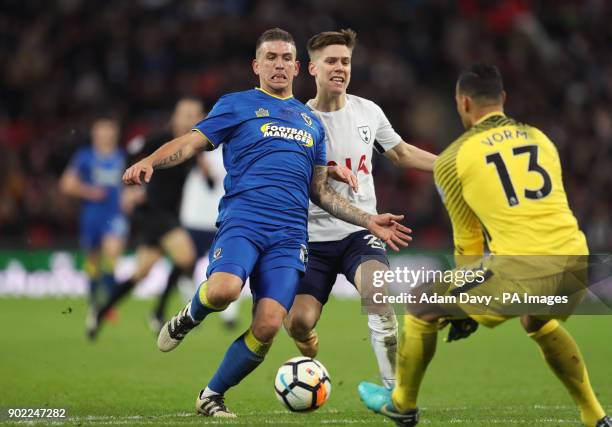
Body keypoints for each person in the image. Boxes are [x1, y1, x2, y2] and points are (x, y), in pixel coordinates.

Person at [123, 28, 412, 418]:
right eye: (270, 58)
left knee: (269, 326)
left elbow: (321, 194)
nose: (278, 65)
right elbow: (190, 143)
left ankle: (211, 395)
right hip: (244, 221)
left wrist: (368, 220)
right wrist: (149, 161)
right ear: (256, 66)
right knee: (223, 290)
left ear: (297, 67)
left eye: (285, 58)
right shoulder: (237, 105)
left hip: (291, 235)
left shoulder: (311, 123)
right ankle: (188, 317)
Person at [357, 63, 611, 427]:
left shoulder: (453, 158)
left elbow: (468, 238)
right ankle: (595, 415)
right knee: (536, 322)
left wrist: (465, 306)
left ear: (463, 104)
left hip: (524, 269)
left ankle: (402, 405)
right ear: (503, 99)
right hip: (576, 262)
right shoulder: (540, 138)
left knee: (421, 302)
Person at [283, 29, 438, 389]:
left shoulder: (368, 111)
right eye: (331, 62)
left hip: (361, 234)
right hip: (313, 241)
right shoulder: (297, 122)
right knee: (299, 322)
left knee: (378, 296)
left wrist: (450, 164)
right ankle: (306, 340)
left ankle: (395, 393)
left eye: (346, 61)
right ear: (312, 69)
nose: (340, 68)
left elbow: (401, 153)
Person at [87, 98, 206, 339]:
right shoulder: (158, 140)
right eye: (185, 113)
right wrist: (129, 188)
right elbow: (129, 152)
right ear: (174, 117)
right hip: (154, 213)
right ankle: (159, 312)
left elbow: (210, 181)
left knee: (141, 273)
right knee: (187, 257)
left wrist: (205, 167)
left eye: (194, 114)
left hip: (167, 215)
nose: (189, 118)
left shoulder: (194, 146)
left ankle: (99, 311)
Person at [59, 116, 128, 332]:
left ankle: (107, 305)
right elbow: (66, 184)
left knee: (112, 255)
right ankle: (94, 303)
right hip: (92, 215)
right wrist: (89, 192)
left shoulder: (122, 157)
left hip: (115, 215)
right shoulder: (85, 157)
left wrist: (132, 197)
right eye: (102, 131)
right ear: (95, 133)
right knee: (93, 260)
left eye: (109, 130)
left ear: (115, 133)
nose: (106, 135)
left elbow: (132, 184)